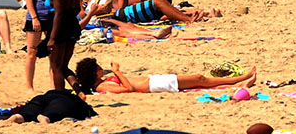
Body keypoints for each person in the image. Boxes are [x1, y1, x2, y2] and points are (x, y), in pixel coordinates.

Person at [74, 57, 256, 94]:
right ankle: (241, 79)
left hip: (154, 80)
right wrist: (117, 72)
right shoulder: (101, 86)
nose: (101, 69)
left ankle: (239, 81)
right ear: (93, 73)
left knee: (198, 80)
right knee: (200, 79)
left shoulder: (103, 81)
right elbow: (127, 89)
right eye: (98, 67)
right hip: (155, 85)